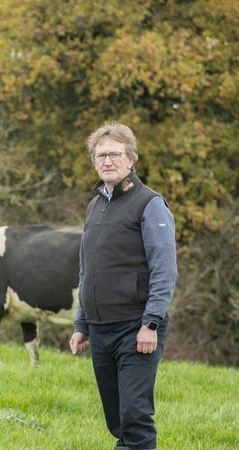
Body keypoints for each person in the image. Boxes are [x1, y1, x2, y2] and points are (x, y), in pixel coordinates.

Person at [69, 122, 178, 450]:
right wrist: (81, 324)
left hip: (136, 328)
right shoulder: (94, 206)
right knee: (117, 418)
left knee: (135, 416)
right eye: (101, 155)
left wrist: (151, 323)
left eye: (115, 154)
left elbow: (164, 269)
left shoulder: (150, 203)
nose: (107, 161)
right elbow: (87, 271)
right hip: (100, 329)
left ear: (131, 159)